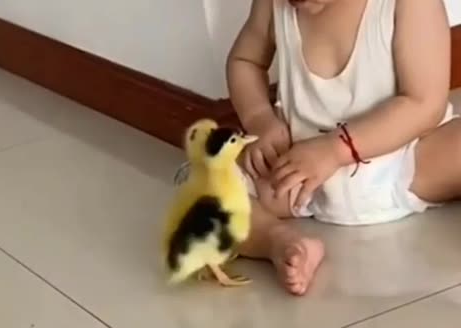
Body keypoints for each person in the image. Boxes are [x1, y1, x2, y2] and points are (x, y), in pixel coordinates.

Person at [178, 0, 459, 295]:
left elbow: (424, 103)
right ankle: (278, 241)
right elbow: (245, 61)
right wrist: (260, 120)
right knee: (203, 186)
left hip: (402, 157)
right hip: (301, 174)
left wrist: (335, 149)